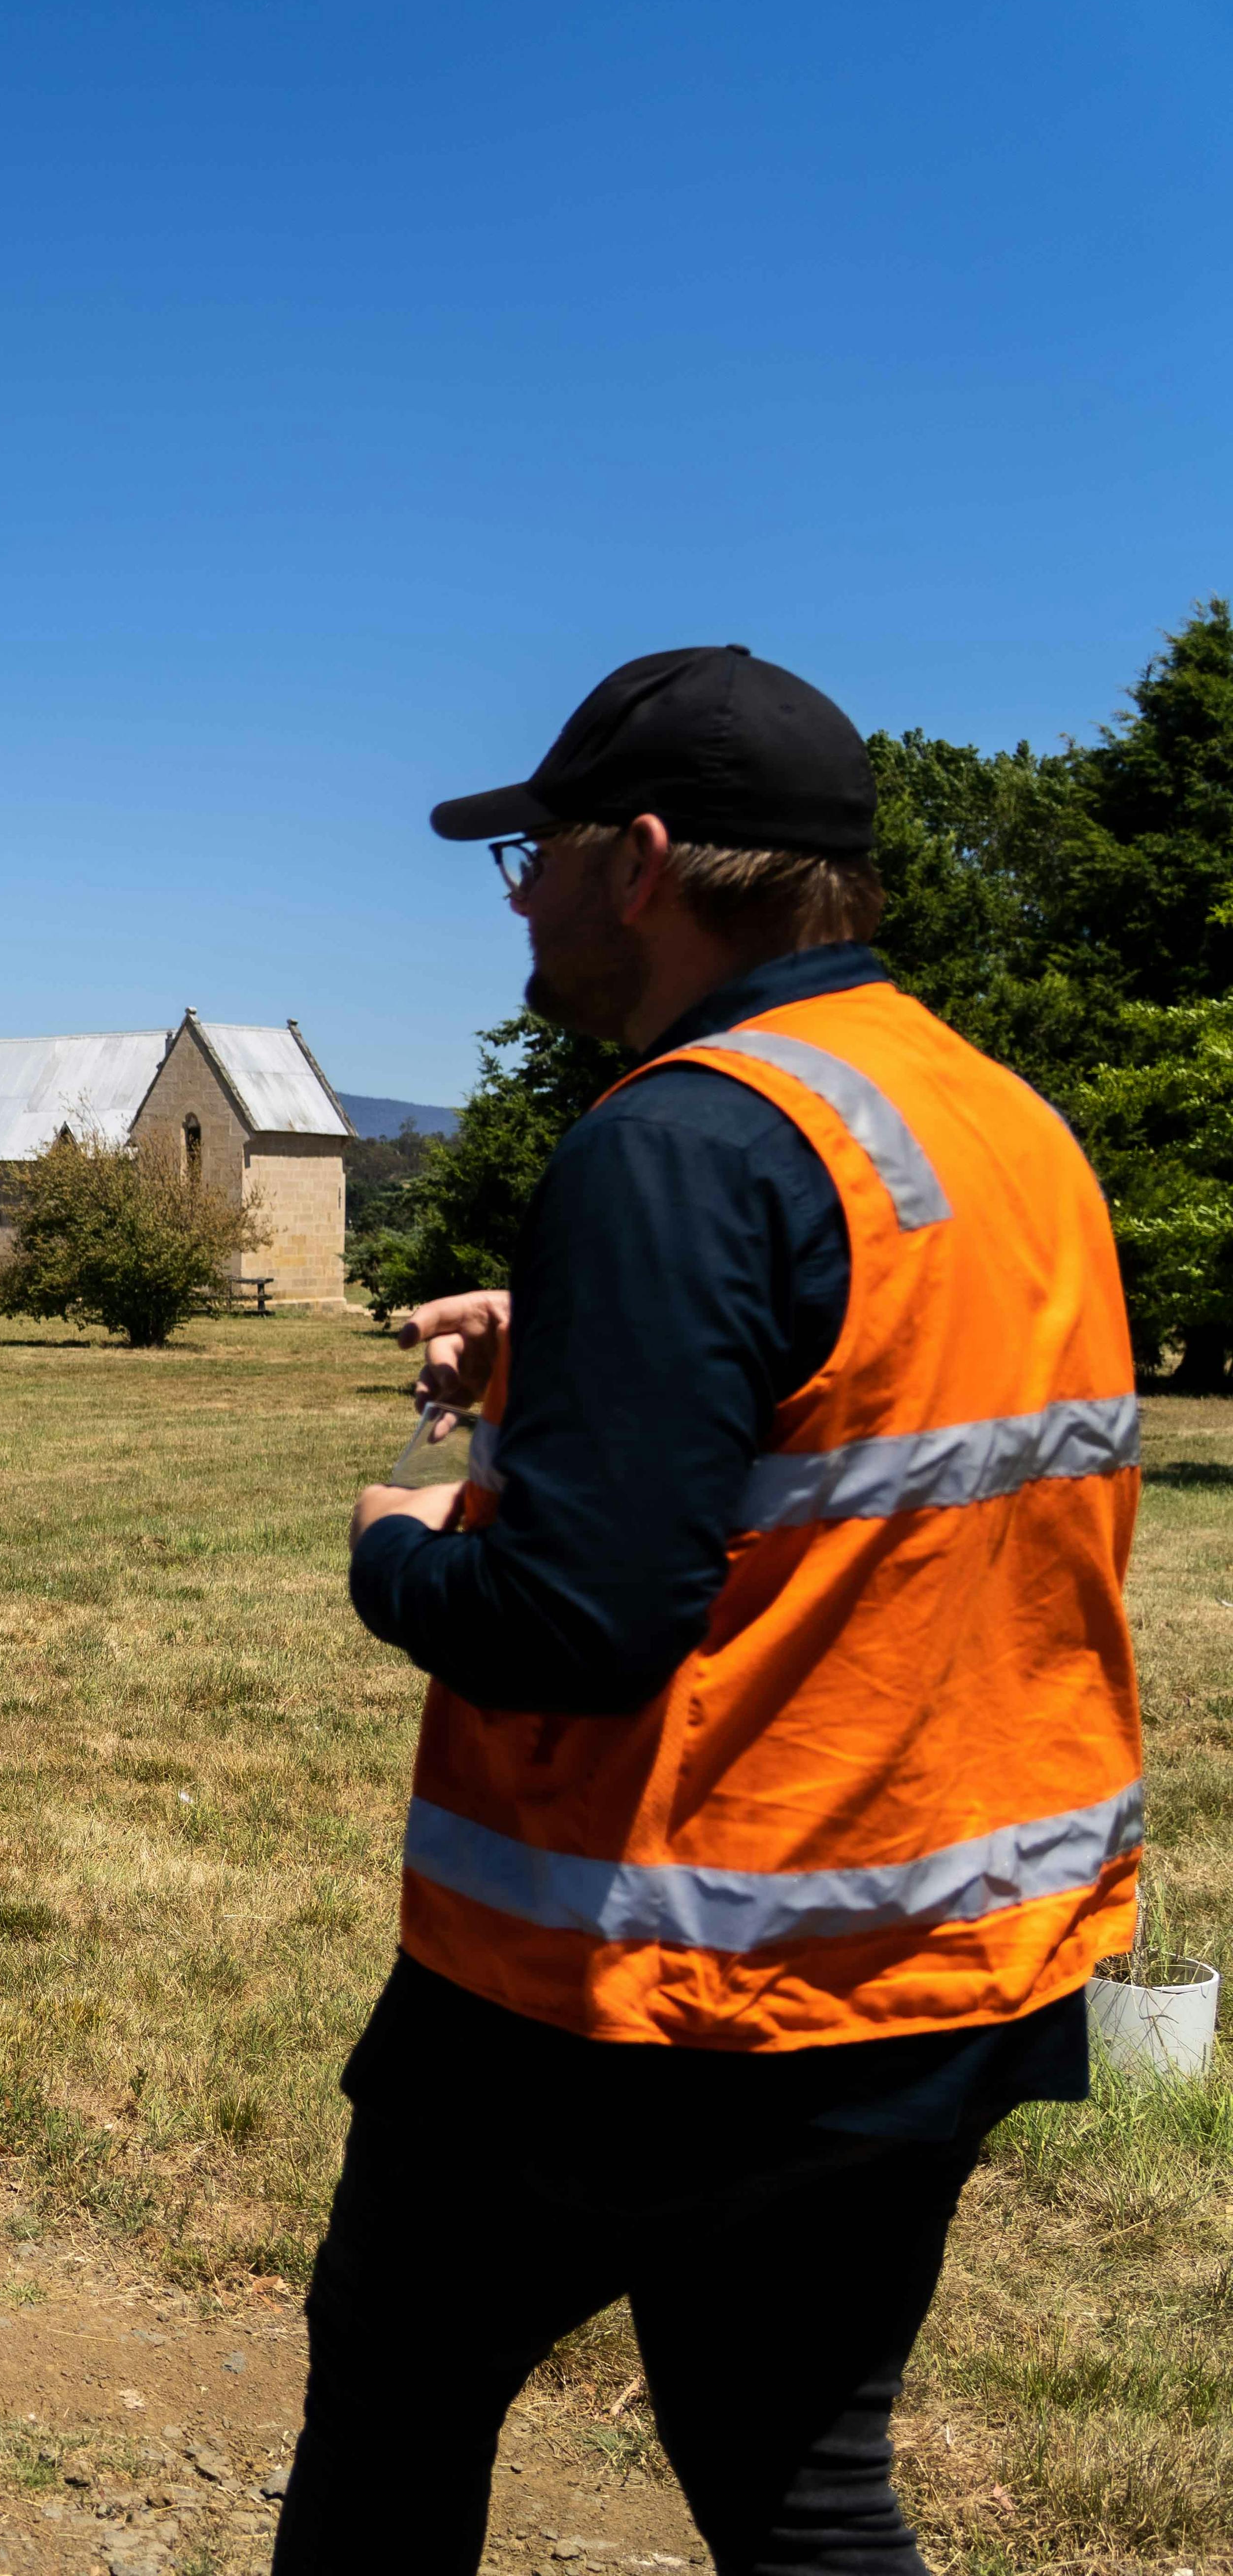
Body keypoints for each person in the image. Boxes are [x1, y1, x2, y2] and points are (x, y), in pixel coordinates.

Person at [277, 648, 1142, 2576]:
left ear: (642, 862)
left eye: (532, 863)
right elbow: (850, 1440)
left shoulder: (671, 1139)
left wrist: (394, 1540)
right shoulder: (991, 1120)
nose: (518, 906)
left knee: (396, 2403)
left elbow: (574, 1622)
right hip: (941, 1981)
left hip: (639, 2000)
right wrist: (558, 1355)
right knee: (797, 2480)